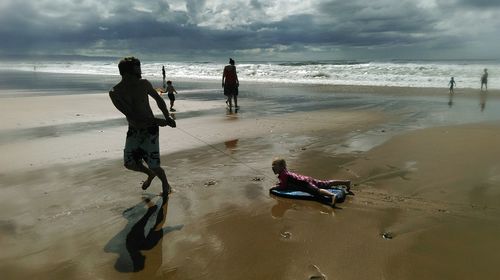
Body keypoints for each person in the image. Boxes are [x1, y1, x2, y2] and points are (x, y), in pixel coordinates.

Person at [109, 57, 176, 199]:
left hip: (150, 130)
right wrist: (158, 120)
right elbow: (131, 115)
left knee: (154, 165)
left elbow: (158, 99)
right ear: (130, 70)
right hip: (134, 130)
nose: (140, 69)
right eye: (137, 66)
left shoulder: (144, 83)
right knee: (129, 163)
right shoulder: (115, 92)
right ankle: (149, 174)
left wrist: (167, 116)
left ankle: (166, 184)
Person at [270, 158, 351, 207]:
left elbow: (283, 186)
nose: (272, 167)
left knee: (317, 191)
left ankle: (332, 195)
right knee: (326, 183)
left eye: (274, 166)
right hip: (307, 179)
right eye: (272, 166)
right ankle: (346, 182)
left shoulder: (283, 174)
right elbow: (285, 182)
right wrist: (280, 184)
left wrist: (275, 187)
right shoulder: (285, 172)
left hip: (305, 184)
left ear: (281, 167)